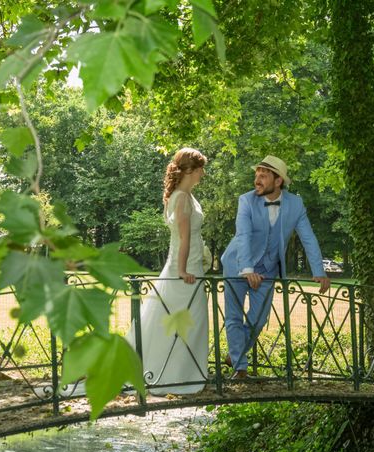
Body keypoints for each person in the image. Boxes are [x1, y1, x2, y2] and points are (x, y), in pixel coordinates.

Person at [221, 155, 330, 379]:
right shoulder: (246, 200)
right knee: (233, 317)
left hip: (269, 269)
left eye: (263, 176)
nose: (257, 180)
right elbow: (243, 235)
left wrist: (319, 272)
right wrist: (247, 269)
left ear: (278, 181)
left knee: (259, 318)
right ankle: (240, 368)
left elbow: (308, 237)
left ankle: (236, 352)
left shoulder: (295, 204)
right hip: (237, 265)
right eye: (256, 175)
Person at [126, 148, 209, 395]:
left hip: (191, 265)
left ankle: (181, 372)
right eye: (201, 168)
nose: (203, 173)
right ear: (191, 171)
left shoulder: (185, 196)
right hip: (184, 270)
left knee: (181, 323)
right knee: (183, 322)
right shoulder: (182, 198)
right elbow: (184, 239)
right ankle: (174, 375)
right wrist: (182, 271)